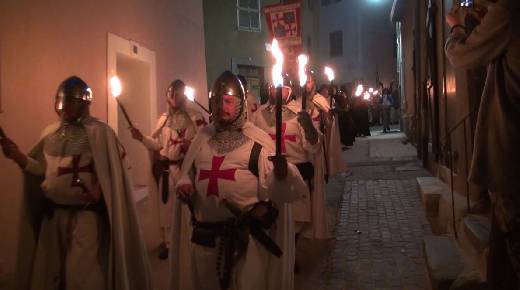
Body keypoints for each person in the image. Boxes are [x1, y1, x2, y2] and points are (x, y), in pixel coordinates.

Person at [0, 76, 153, 290]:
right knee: (50, 274)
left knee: (81, 277)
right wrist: (18, 157)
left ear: (83, 103)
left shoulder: (101, 133)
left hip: (86, 216)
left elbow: (120, 171)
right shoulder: (50, 133)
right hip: (53, 216)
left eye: (70, 102)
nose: (64, 108)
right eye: (62, 101)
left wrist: (100, 190)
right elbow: (42, 171)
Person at [169, 71, 308, 290]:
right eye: (216, 101)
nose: (221, 106)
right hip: (205, 240)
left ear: (241, 103)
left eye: (228, 101)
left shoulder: (256, 141)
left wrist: (282, 172)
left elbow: (278, 189)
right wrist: (184, 182)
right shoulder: (202, 137)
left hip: (246, 243)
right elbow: (189, 170)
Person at [445, 0, 520, 288]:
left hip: (510, 155)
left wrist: (457, 27)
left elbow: (462, 55)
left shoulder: (509, 12)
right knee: (500, 262)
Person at [130, 79, 207, 259]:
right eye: (171, 93)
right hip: (167, 170)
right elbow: (157, 145)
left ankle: (188, 241)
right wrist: (141, 138)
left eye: (177, 94)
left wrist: (193, 146)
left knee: (187, 207)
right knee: (166, 208)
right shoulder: (163, 120)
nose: (173, 97)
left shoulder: (196, 118)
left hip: (186, 170)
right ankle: (168, 243)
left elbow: (205, 144)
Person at [253, 76, 329, 241]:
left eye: (283, 87)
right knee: (273, 225)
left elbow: (313, 146)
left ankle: (291, 260)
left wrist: (309, 126)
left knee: (294, 227)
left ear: (291, 90)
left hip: (295, 175)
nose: (278, 90)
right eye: (273, 87)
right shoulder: (258, 115)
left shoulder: (300, 112)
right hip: (269, 177)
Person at [305, 75, 347, 179]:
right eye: (305, 81)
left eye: (309, 81)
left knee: (317, 172)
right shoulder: (299, 100)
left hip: (317, 138)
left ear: (314, 83)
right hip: (303, 140)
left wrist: (329, 115)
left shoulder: (319, 99)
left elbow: (329, 123)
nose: (307, 84)